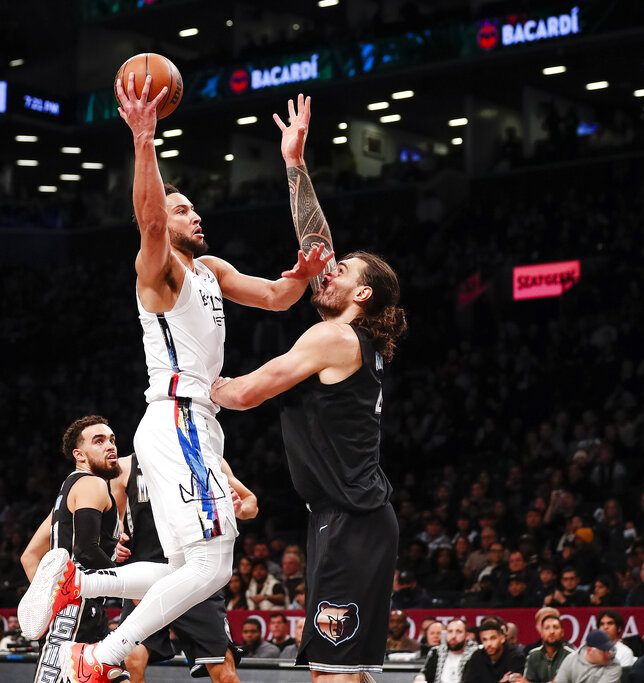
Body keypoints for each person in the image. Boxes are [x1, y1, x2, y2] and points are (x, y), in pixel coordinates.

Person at [16, 79, 331, 683]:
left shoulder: (210, 269)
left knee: (191, 571)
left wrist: (300, 268)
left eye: (193, 208)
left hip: (191, 425)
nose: (195, 214)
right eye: (183, 208)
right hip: (177, 417)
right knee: (214, 568)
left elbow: (276, 296)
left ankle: (80, 583)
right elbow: (151, 220)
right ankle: (99, 657)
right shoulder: (158, 271)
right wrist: (144, 139)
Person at [212, 94, 405, 682]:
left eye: (342, 272)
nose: (328, 270)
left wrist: (194, 384)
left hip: (351, 521)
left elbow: (246, 394)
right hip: (349, 518)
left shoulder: (333, 338)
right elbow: (317, 248)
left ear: (362, 294)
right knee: (346, 670)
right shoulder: (352, 340)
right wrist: (294, 163)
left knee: (331, 673)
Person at [112, 450, 256, 683]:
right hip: (148, 576)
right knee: (131, 662)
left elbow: (251, 502)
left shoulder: (208, 456)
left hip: (197, 571)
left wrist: (239, 508)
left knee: (224, 673)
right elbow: (114, 524)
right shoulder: (126, 466)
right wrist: (115, 543)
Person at [20, 415, 125, 667]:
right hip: (78, 613)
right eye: (99, 441)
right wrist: (127, 582)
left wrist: (50, 600)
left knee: (116, 675)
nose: (110, 446)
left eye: (112, 440)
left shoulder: (67, 492)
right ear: (80, 455)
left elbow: (29, 557)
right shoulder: (92, 483)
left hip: (77, 611)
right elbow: (86, 550)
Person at [461, 617, 525, 683]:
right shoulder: (477, 656)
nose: (488, 644)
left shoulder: (515, 657)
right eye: (485, 640)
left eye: (493, 638)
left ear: (502, 639)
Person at [553, 630, 622, 683]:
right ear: (590, 650)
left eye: (608, 649)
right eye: (604, 650)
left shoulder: (614, 665)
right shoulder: (571, 659)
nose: (608, 654)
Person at [421, 618, 477, 683]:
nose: (453, 636)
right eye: (450, 631)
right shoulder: (436, 653)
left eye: (458, 632)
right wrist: (420, 678)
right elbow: (424, 673)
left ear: (467, 635)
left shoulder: (475, 655)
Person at [522, 614, 574, 683]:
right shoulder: (533, 655)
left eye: (556, 627)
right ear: (541, 633)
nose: (552, 631)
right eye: (547, 628)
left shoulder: (571, 656)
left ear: (562, 632)